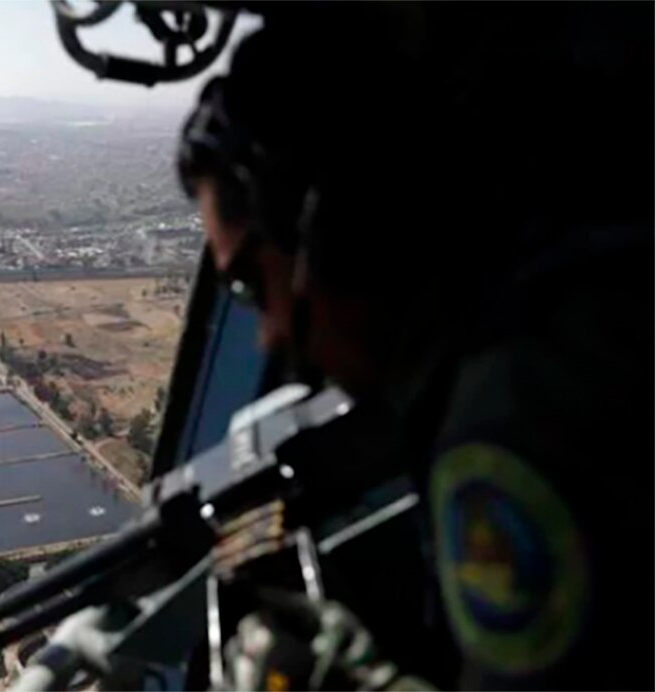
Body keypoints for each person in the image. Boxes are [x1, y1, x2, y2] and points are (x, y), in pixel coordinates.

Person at [177, 4, 651, 689]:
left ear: (326, 225)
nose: (272, 335)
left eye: (253, 285)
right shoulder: (582, 298)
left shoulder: (511, 416)